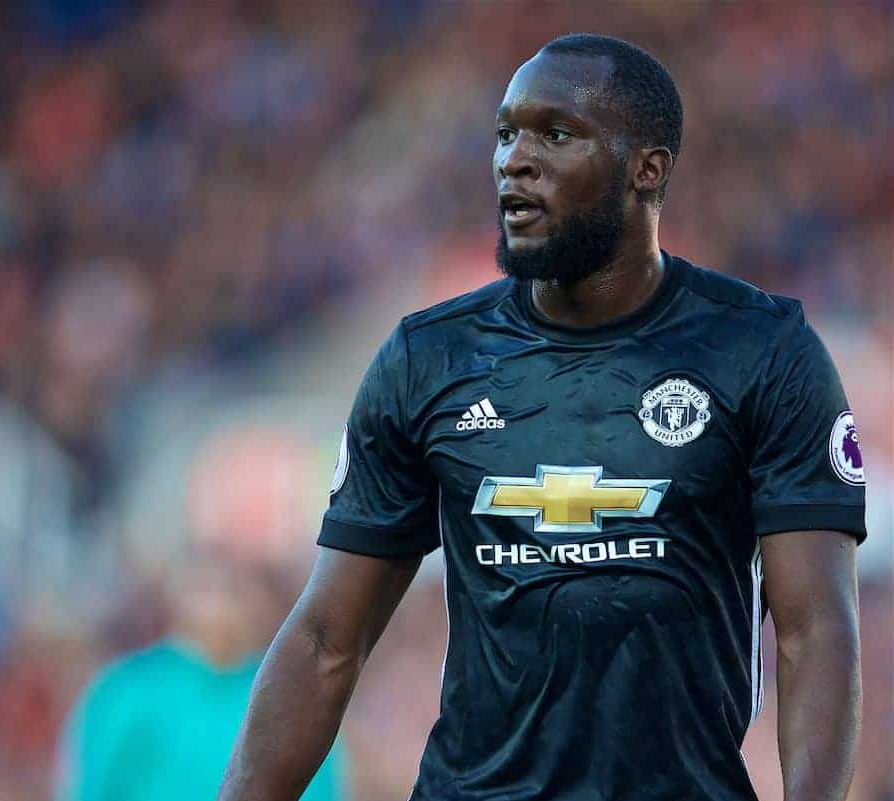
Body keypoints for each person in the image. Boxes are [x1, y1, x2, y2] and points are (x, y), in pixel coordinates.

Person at [218, 34, 865, 801]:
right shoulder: (429, 359)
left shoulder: (762, 352)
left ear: (647, 170)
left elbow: (815, 632)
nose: (513, 161)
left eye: (555, 135)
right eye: (505, 134)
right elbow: (327, 638)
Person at [55, 547, 345, 801]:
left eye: (236, 590)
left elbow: (318, 785)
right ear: (179, 596)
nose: (221, 607)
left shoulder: (287, 696)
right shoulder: (127, 691)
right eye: (208, 589)